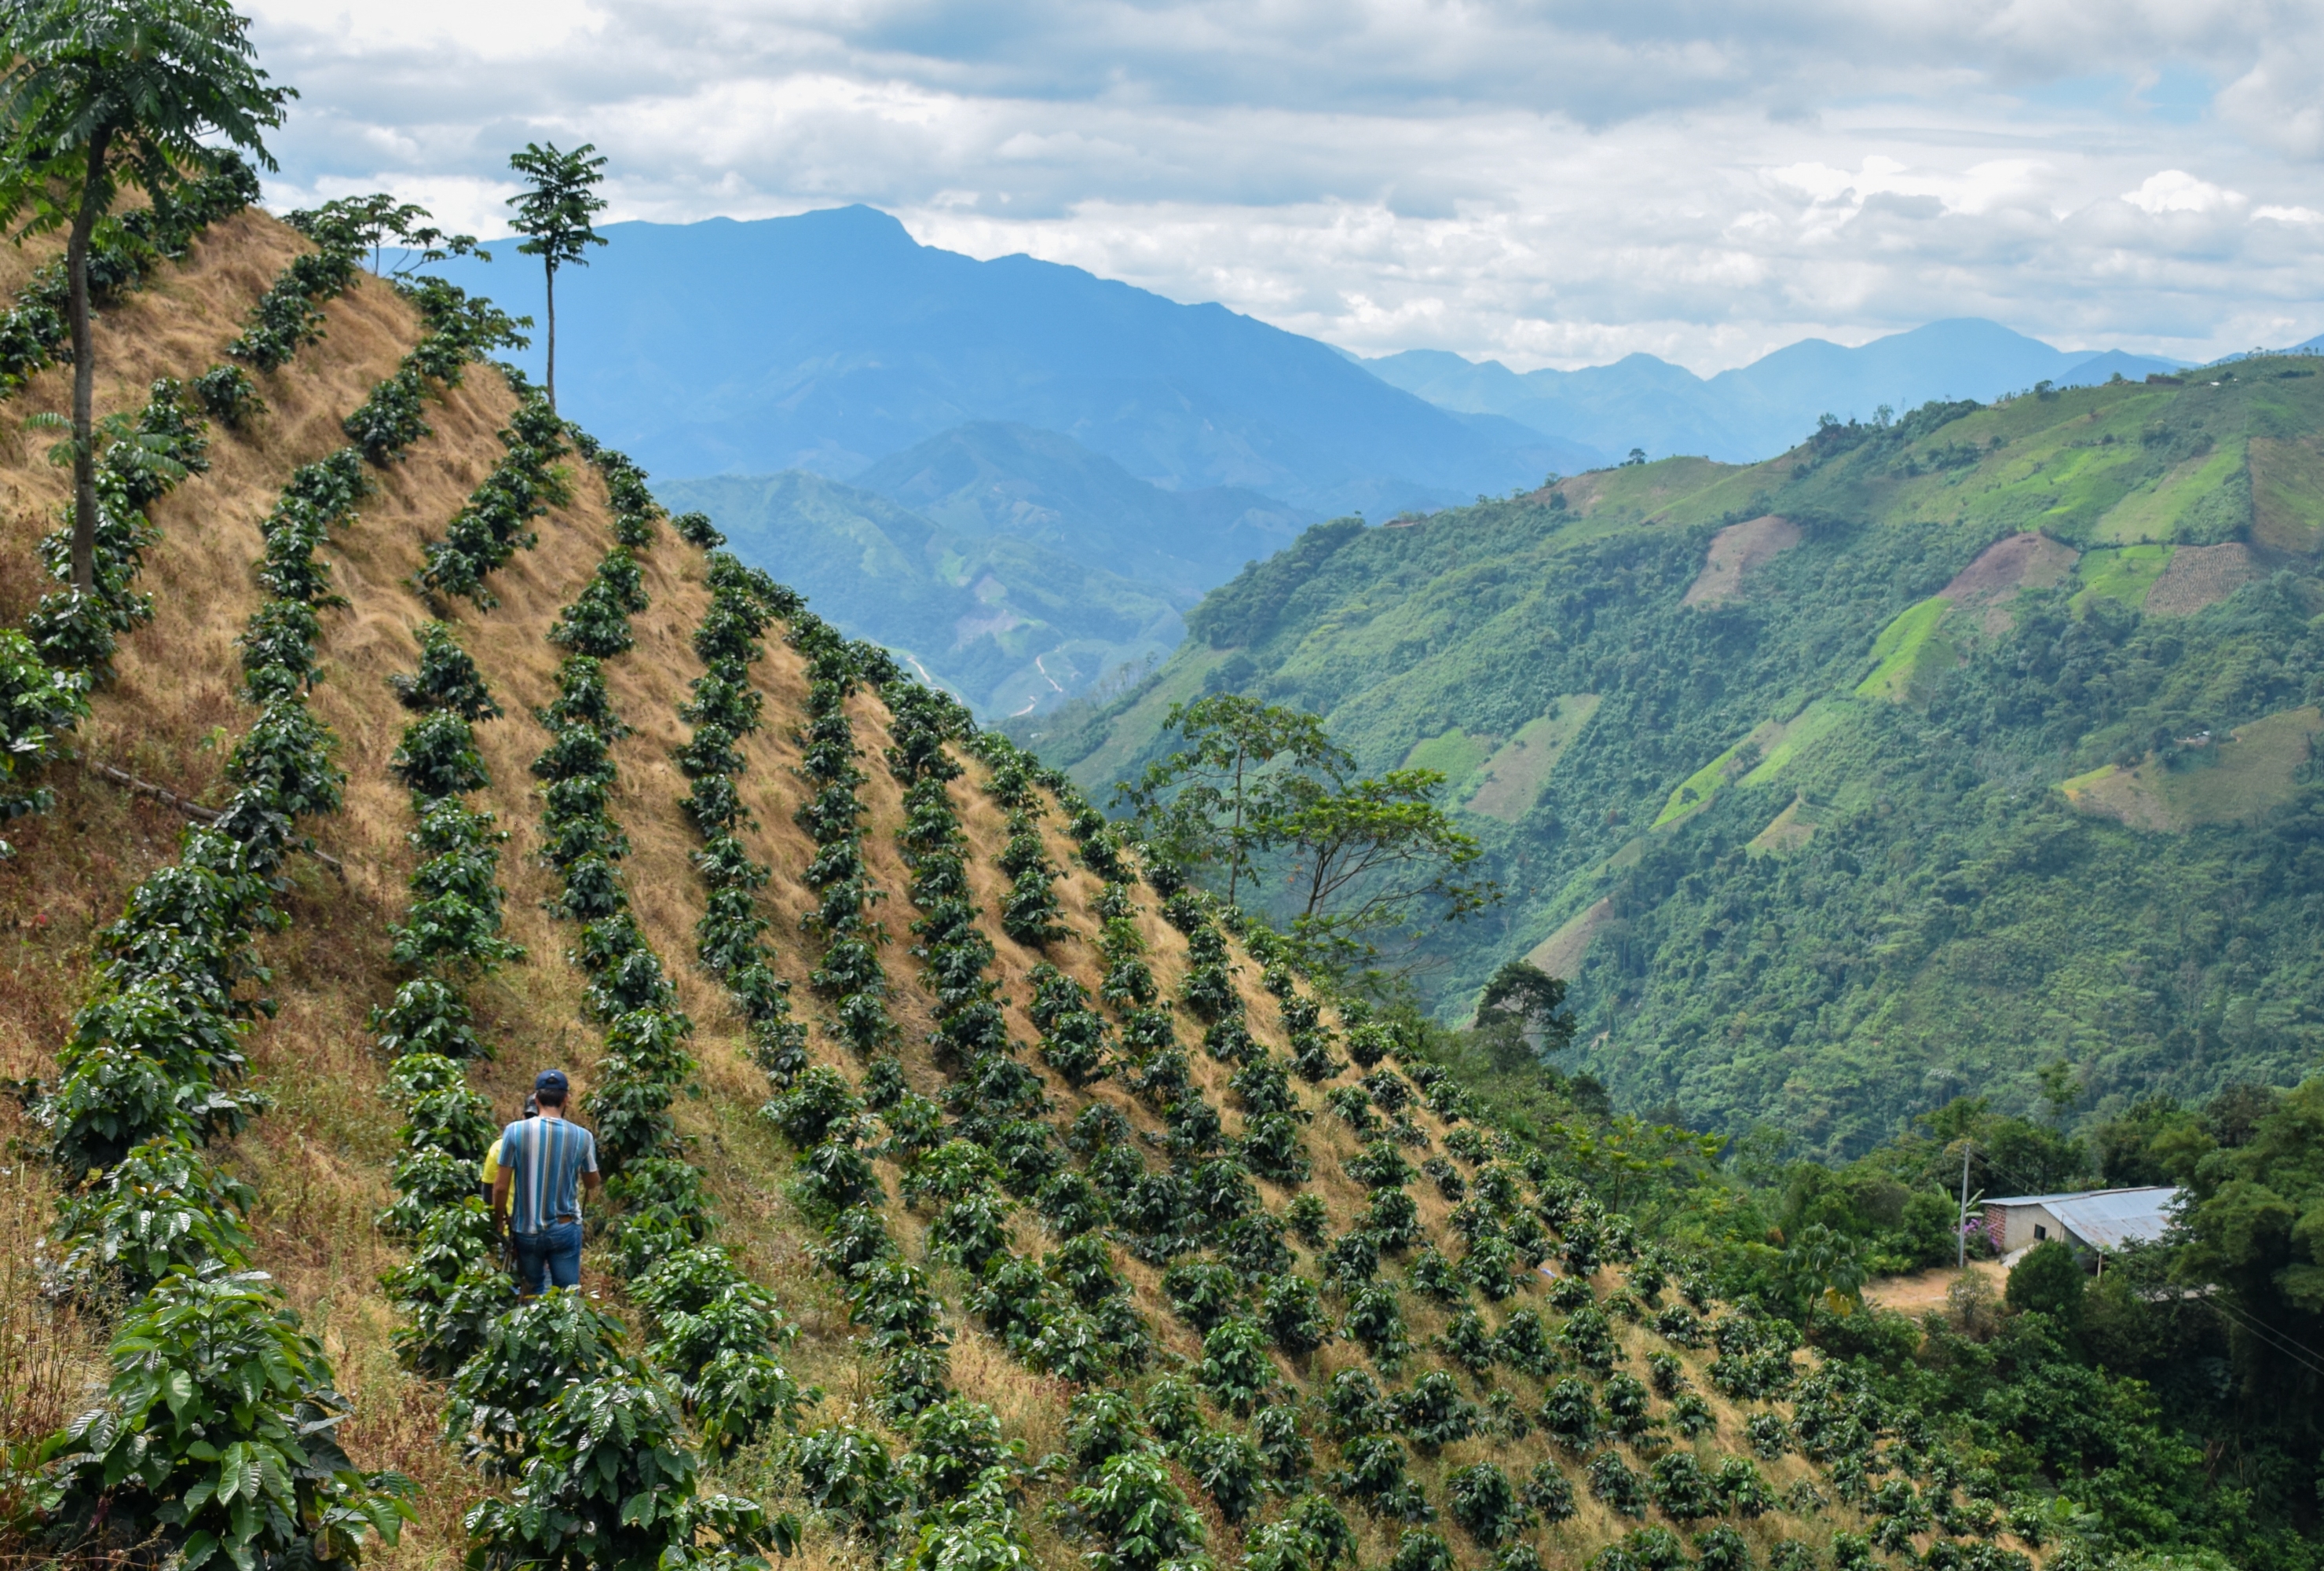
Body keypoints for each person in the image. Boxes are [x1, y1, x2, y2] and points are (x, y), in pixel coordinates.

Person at [490, 1070, 601, 1295]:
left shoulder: (515, 1131)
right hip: (564, 1226)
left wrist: (499, 1221)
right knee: (568, 1294)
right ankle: (565, 1329)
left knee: (532, 1290)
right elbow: (591, 1182)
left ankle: (533, 1326)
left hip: (526, 1229)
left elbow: (500, 1187)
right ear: (566, 1099)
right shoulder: (583, 1136)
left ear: (537, 1099)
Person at [478, 1093, 537, 1227]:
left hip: (508, 1226)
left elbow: (490, 1191)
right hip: (541, 1229)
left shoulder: (499, 1147)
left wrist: (497, 1222)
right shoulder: (554, 1148)